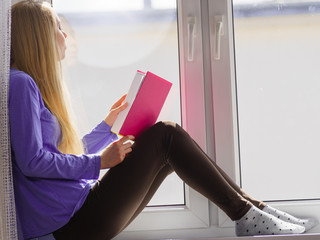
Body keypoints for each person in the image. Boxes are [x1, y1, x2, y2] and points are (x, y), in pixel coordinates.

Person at [9, 1, 318, 239]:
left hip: (73, 217)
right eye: (59, 29)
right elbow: (32, 161)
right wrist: (99, 163)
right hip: (65, 227)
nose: (65, 36)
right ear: (39, 38)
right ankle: (248, 215)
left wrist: (108, 128)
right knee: (165, 136)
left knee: (168, 151)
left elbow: (60, 153)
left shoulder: (30, 85)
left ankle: (255, 211)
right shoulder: (21, 84)